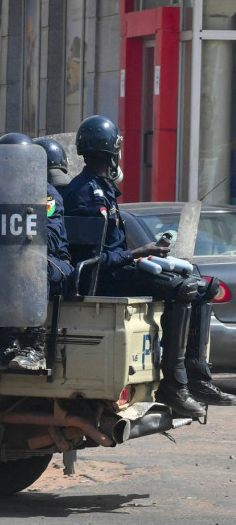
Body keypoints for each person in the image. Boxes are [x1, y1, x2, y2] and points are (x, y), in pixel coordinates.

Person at [63, 115, 236, 418]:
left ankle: (197, 377)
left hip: (117, 269)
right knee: (184, 289)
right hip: (103, 279)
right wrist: (137, 253)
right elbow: (90, 264)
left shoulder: (101, 187)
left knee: (201, 285)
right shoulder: (84, 193)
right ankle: (175, 384)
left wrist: (146, 254)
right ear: (112, 150)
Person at [0, 133, 74, 371]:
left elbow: (52, 239)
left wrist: (22, 234)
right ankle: (8, 345)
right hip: (10, 262)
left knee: (32, 262)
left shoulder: (46, 194)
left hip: (54, 263)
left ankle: (35, 347)